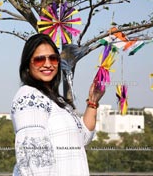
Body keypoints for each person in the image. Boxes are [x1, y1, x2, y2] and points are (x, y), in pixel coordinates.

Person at [11, 33, 105, 176]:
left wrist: (93, 101)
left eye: (53, 58)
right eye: (39, 59)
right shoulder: (29, 96)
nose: (48, 64)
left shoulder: (58, 102)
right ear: (27, 65)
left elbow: (82, 138)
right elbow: (35, 158)